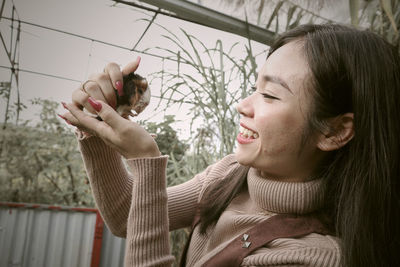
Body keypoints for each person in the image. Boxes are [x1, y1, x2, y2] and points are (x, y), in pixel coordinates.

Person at [60, 24, 400, 266]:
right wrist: (98, 127)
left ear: (334, 131)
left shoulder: (310, 256)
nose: (243, 104)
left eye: (269, 94)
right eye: (255, 87)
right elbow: (125, 216)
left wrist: (147, 162)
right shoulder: (230, 175)